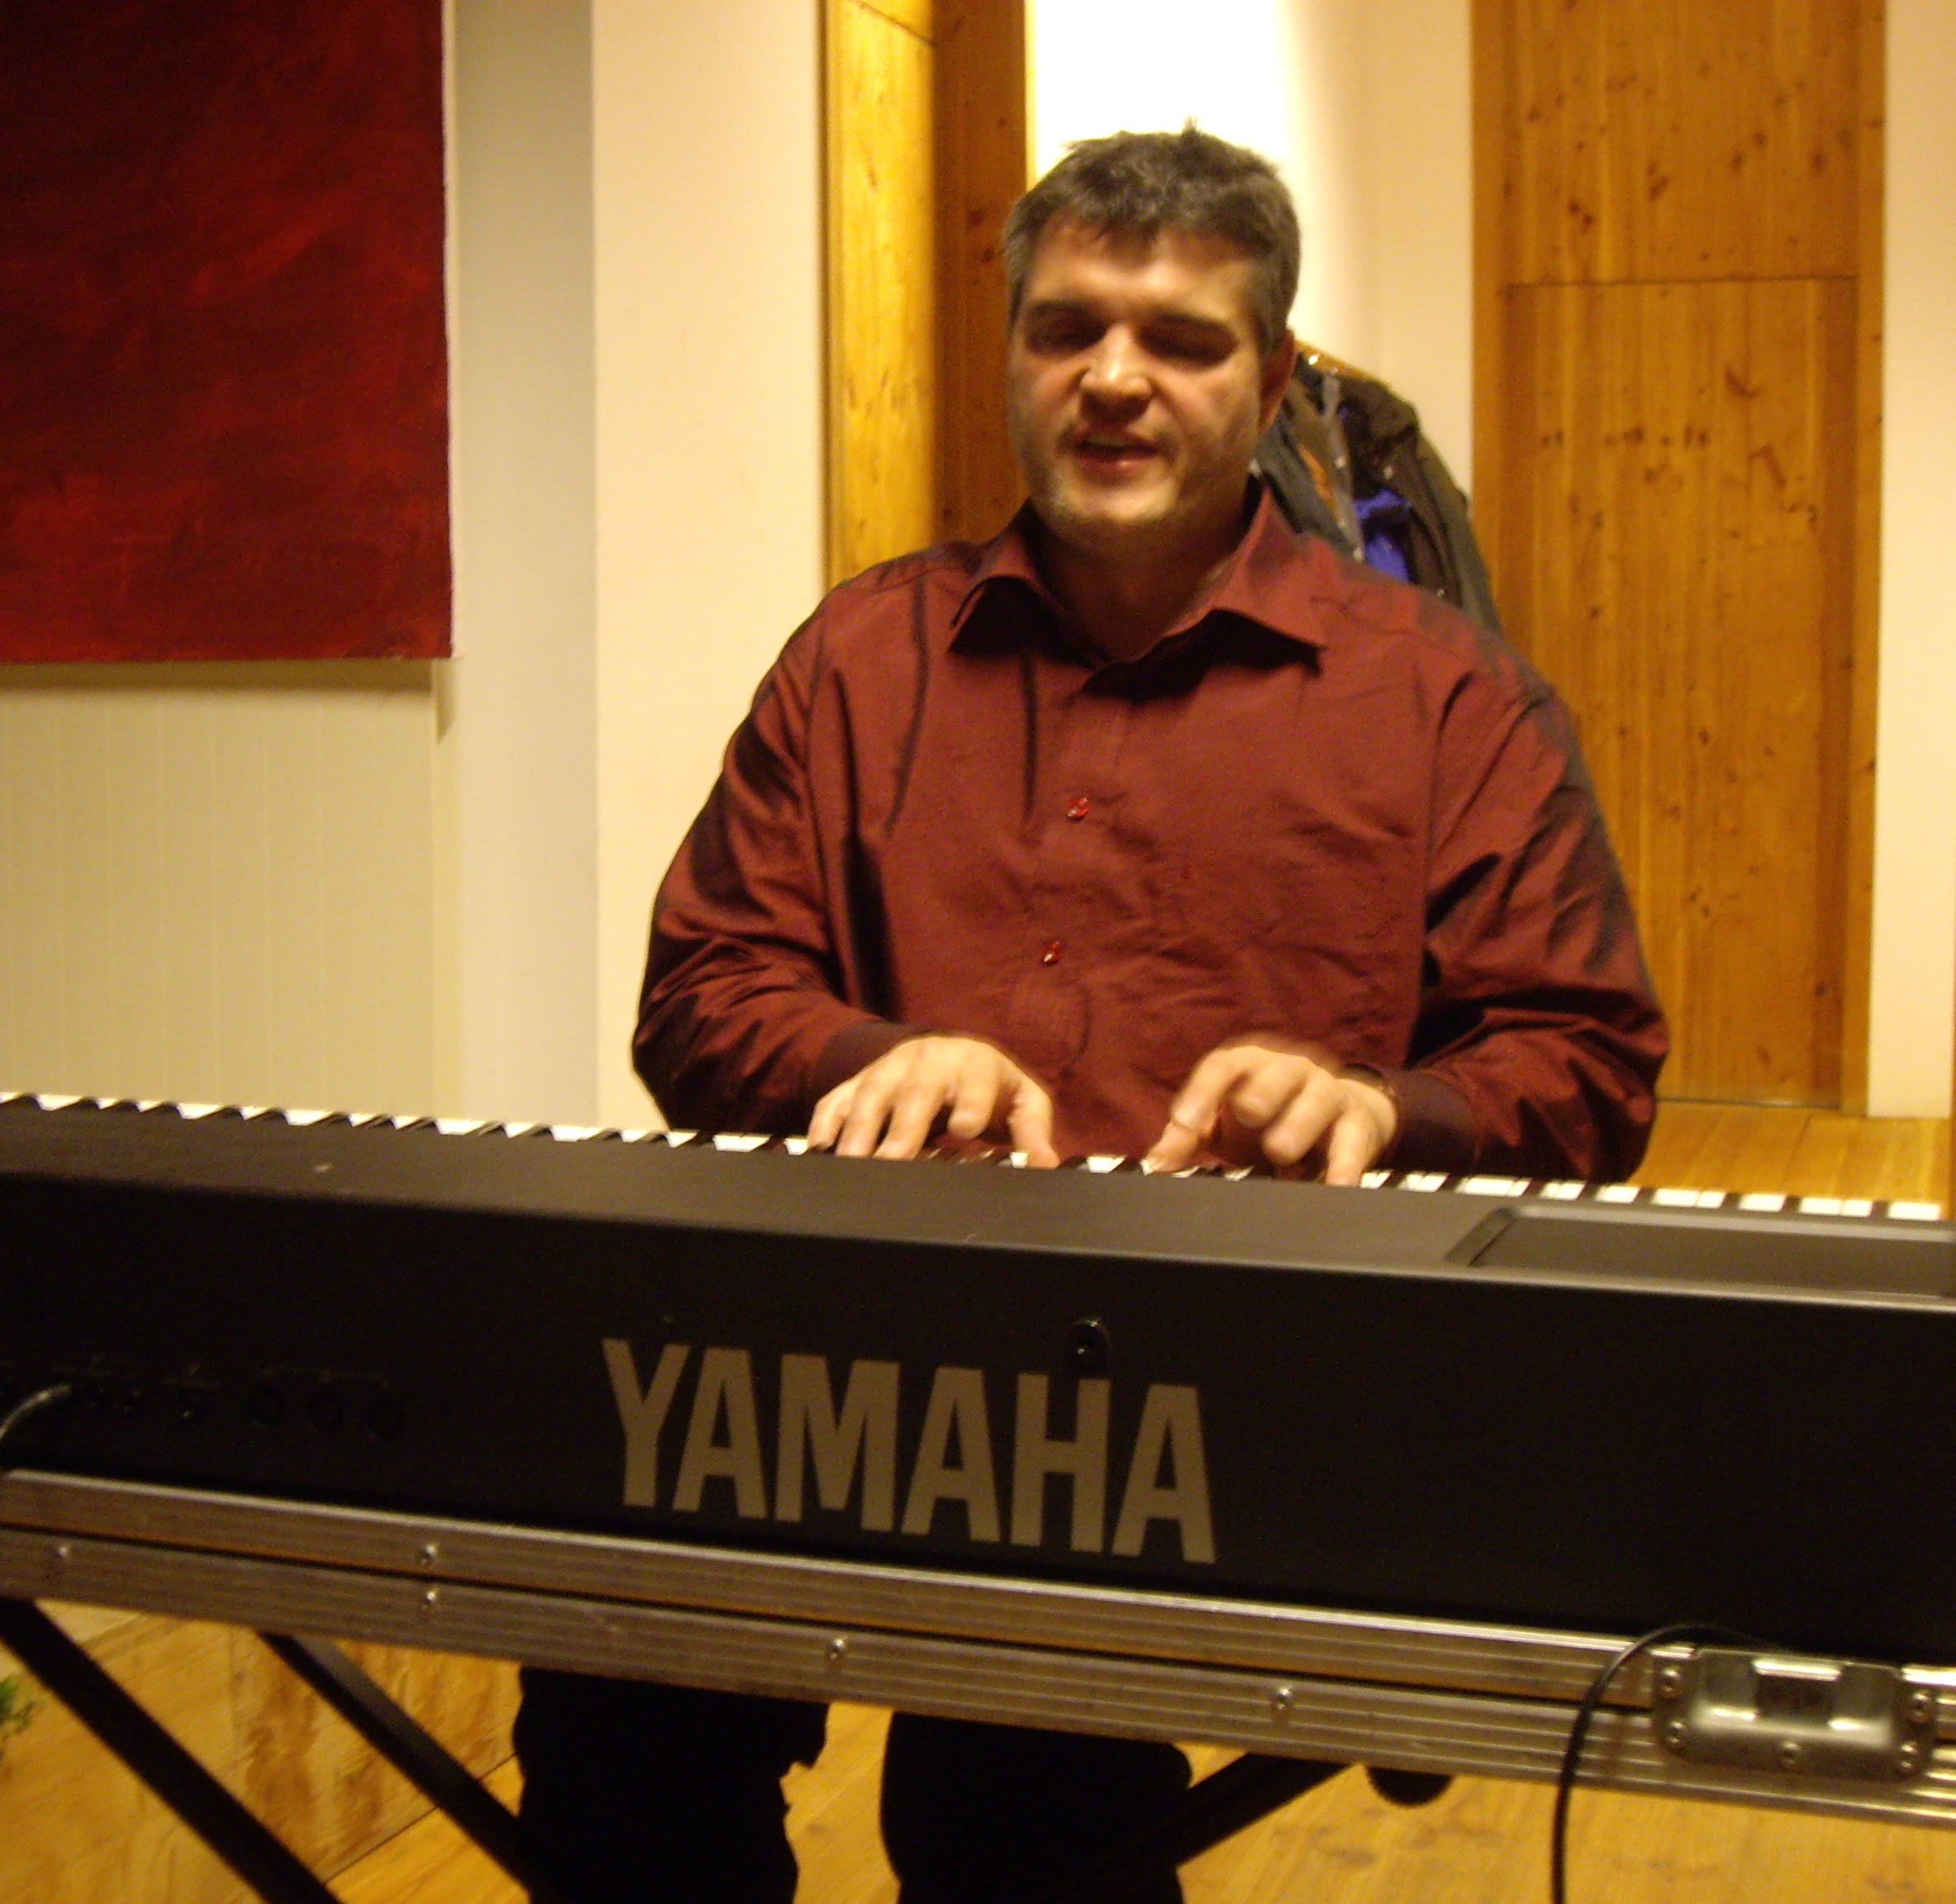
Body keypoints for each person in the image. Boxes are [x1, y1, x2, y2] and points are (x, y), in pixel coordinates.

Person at [517, 127, 1666, 1904]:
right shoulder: (860, 659)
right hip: (843, 1367)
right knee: (616, 1726)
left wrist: (1386, 1109)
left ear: (1270, 386)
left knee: (1015, 1796)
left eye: (1181, 341)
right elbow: (702, 988)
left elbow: (1586, 1060)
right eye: (1066, 329)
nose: (1113, 379)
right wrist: (866, 1060)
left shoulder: (1451, 702)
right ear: (1012, 357)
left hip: (1229, 1395)